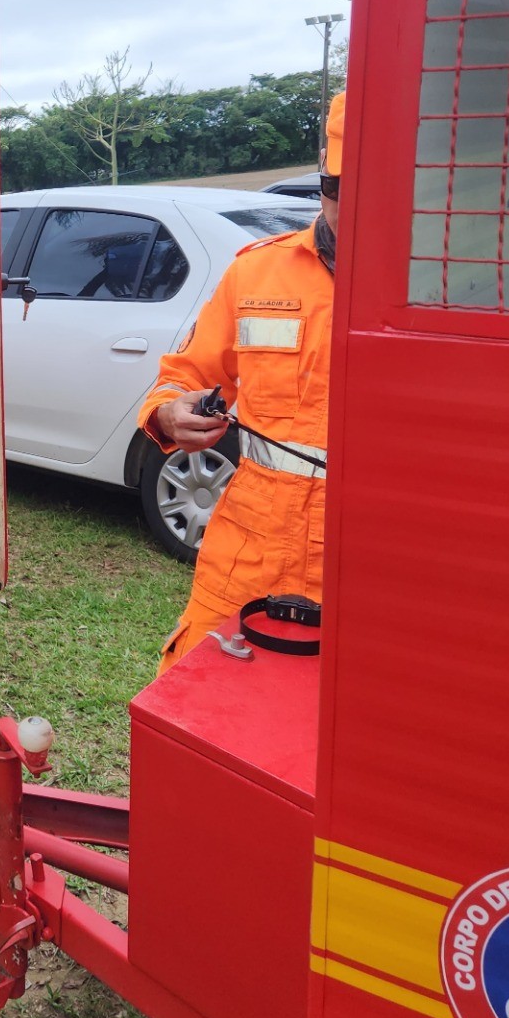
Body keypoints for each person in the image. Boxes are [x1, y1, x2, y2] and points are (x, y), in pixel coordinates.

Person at [139, 91, 346, 672]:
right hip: (250, 548)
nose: (348, 210)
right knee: (193, 697)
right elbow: (183, 375)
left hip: (369, 560)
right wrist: (167, 413)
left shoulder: (440, 296)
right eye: (337, 192)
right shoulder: (257, 271)